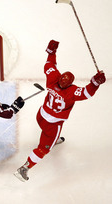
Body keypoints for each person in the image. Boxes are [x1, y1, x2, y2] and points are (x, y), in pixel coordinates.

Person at [14, 40, 106, 182]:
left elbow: (49, 65)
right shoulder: (72, 91)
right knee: (43, 149)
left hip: (41, 116)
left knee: (49, 133)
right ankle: (24, 168)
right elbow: (87, 93)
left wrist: (52, 52)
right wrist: (95, 83)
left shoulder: (53, 79)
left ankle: (52, 140)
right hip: (52, 125)